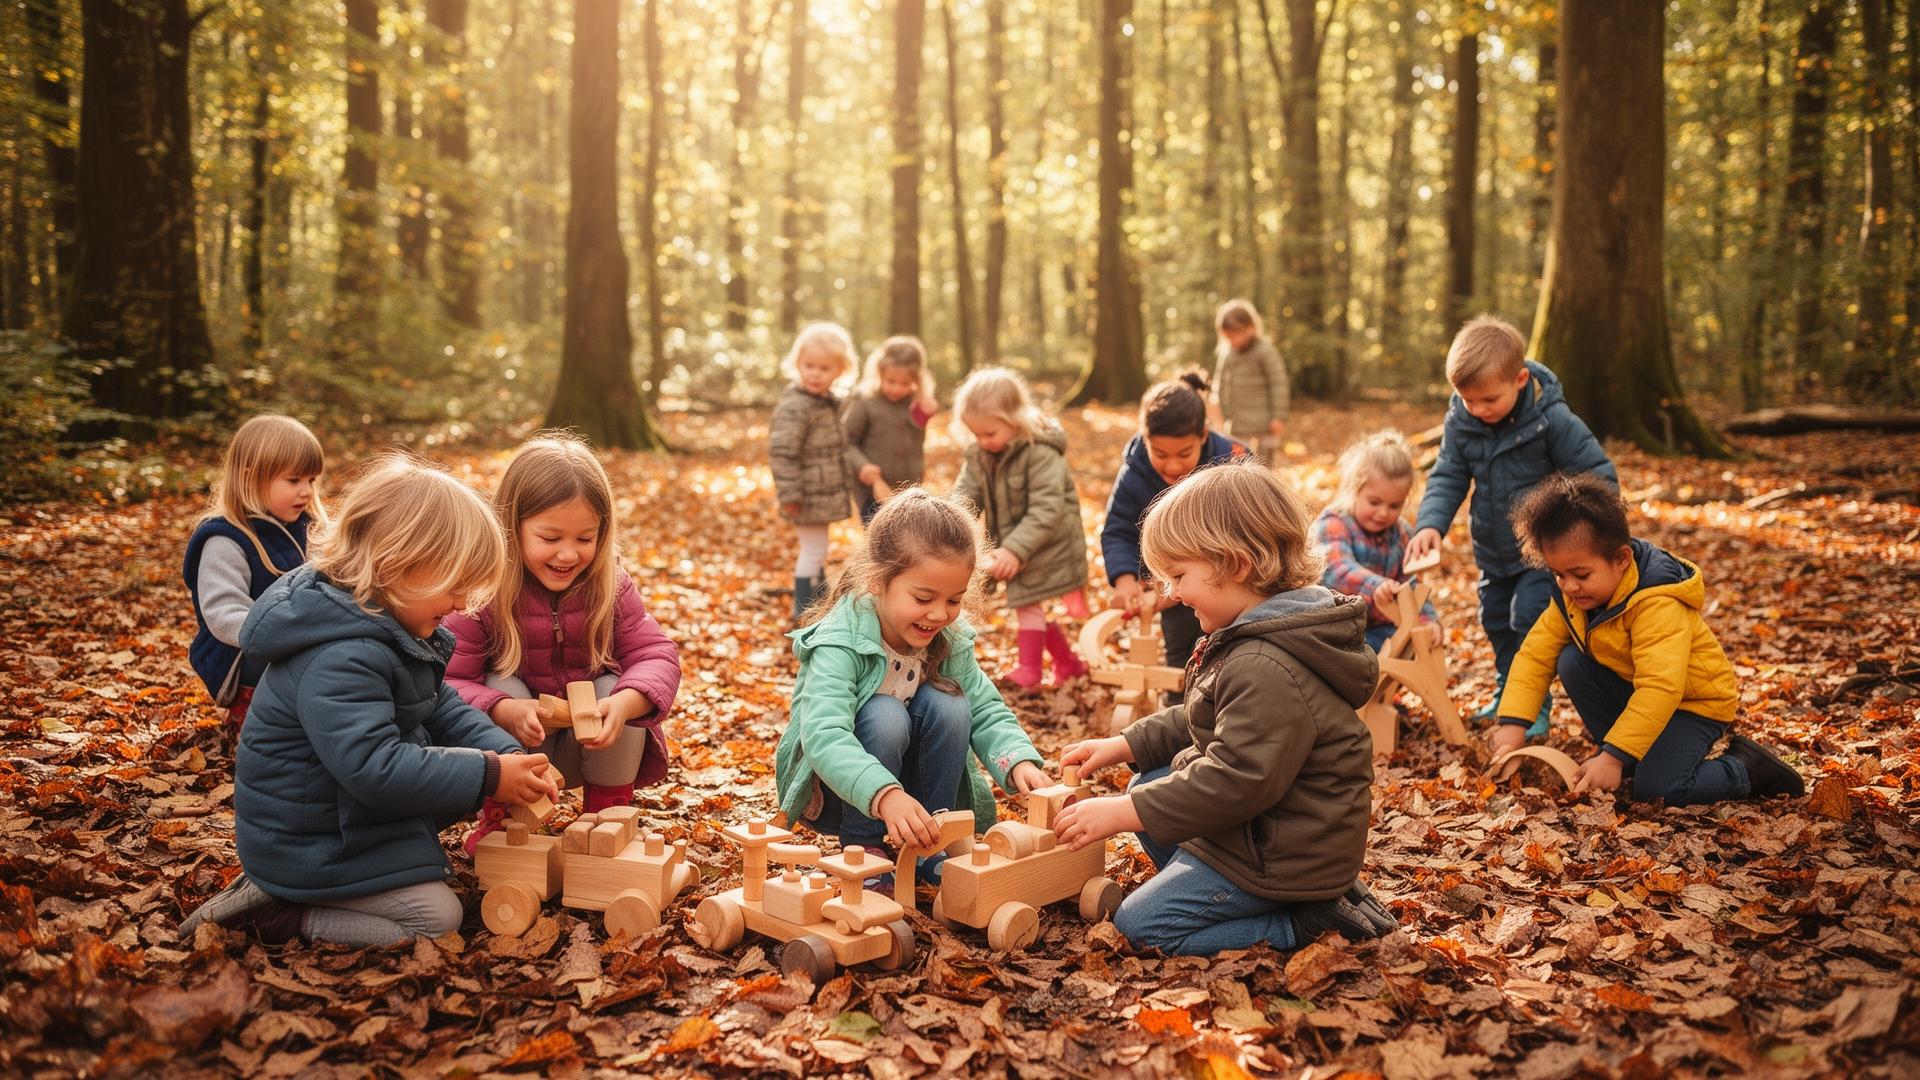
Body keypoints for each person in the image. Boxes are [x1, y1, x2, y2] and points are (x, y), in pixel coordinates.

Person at [178, 457, 558, 946]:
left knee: (444, 901)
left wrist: (507, 756)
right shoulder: (342, 656)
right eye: (456, 586)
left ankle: (309, 894)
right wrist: (487, 775)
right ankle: (282, 916)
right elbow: (375, 766)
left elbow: (439, 704)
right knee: (438, 919)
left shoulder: (390, 624)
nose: (462, 604)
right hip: (309, 844)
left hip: (347, 822)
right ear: (399, 565)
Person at [1054, 464, 1396, 955]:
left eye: (1178, 575)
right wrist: (1124, 744)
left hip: (1287, 854)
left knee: (1141, 925)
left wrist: (1123, 814)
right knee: (1147, 781)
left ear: (1235, 565)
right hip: (1272, 829)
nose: (1170, 593)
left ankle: (1305, 924)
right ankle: (1215, 886)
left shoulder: (1264, 662)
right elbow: (1204, 712)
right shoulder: (1254, 633)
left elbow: (1235, 780)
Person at [774, 489, 1049, 882]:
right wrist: (885, 795)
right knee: (884, 713)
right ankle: (863, 847)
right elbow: (825, 735)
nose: (939, 614)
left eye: (954, 600)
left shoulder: (947, 636)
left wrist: (1017, 758)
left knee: (951, 703)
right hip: (845, 788)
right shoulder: (840, 641)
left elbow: (985, 707)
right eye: (923, 598)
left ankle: (930, 841)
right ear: (878, 581)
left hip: (914, 787)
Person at [1489, 474, 1804, 803]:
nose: (1568, 586)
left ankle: (1747, 769)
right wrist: (1514, 723)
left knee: (1658, 789)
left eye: (1581, 575)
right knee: (1571, 661)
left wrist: (1613, 756)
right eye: (1558, 575)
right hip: (1640, 691)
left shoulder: (1656, 601)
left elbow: (1661, 687)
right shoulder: (1574, 599)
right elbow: (1534, 657)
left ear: (1621, 559)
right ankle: (1631, 754)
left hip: (1693, 704)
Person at [445, 434, 681, 849]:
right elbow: (446, 682)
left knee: (616, 687)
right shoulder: (484, 594)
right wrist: (503, 710)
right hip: (518, 753)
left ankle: (608, 823)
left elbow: (655, 654)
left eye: (584, 539)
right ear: (511, 527)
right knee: (502, 684)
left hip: (590, 745)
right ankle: (505, 823)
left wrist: (625, 703)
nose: (568, 555)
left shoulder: (611, 587)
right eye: (551, 539)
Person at [1406, 315, 1617, 738]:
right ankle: (1508, 690)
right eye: (1468, 400)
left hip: (1544, 552)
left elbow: (1596, 475)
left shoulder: (1551, 419)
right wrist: (1430, 525)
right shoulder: (1462, 423)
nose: (1479, 410)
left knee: (1528, 619)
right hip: (1494, 550)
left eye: (1489, 400)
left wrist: (1585, 534)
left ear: (1520, 379)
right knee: (1497, 620)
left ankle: (1533, 704)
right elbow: (1448, 475)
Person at [950, 368, 1092, 689]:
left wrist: (1015, 548)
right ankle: (1068, 664)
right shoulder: (980, 455)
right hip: (1019, 539)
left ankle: (1029, 670)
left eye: (989, 434)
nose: (982, 442)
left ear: (1013, 420)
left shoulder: (1040, 452)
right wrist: (951, 521)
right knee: (1032, 602)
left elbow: (1047, 508)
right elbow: (965, 494)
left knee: (1026, 602)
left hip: (1047, 541)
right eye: (976, 435)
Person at [183, 414, 327, 730]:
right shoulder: (226, 539)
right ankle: (265, 714)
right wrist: (285, 635)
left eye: (311, 481)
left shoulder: (306, 528)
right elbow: (223, 613)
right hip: (241, 654)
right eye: (294, 481)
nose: (306, 491)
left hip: (297, 637)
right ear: (251, 478)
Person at [1098, 371, 1246, 675]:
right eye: (1160, 454)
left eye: (1184, 453)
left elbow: (1251, 528)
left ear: (1203, 435)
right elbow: (1119, 530)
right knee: (1183, 661)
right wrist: (1126, 580)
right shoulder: (1135, 473)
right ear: (1145, 439)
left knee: (1235, 655)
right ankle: (1182, 708)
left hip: (1234, 589)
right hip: (1177, 595)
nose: (1173, 465)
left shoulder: (1233, 463)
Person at [1311, 430, 1440, 652]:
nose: (1383, 513)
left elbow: (1412, 586)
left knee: (1418, 643)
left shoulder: (1401, 534)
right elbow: (1336, 570)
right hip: (1332, 631)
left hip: (1380, 630)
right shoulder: (1335, 522)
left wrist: (1427, 619)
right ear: (1355, 489)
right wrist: (1377, 586)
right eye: (1374, 502)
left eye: (1394, 506)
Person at [771, 322, 859, 622]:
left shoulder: (825, 402)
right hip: (806, 494)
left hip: (820, 493)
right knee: (813, 549)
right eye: (808, 366)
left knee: (817, 548)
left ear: (839, 370)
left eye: (824, 368)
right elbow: (783, 452)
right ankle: (805, 608)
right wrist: (790, 494)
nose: (815, 373)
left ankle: (820, 602)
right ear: (797, 364)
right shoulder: (796, 405)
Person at [843, 335, 942, 525]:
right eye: (891, 381)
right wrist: (862, 465)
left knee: (907, 541)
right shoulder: (865, 402)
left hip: (909, 489)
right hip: (873, 488)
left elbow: (916, 433)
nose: (897, 388)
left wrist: (925, 409)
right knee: (880, 540)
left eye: (905, 383)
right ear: (879, 373)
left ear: (917, 380)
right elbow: (846, 441)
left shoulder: (916, 403)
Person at [1210, 299, 1290, 461]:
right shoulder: (1228, 354)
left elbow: (1278, 383)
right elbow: (1221, 384)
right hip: (1238, 423)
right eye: (1228, 337)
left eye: (1235, 335)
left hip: (1265, 421)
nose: (1232, 341)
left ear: (1250, 328)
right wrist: (1224, 413)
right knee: (1238, 460)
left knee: (1265, 462)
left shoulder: (1265, 351)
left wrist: (1278, 416)